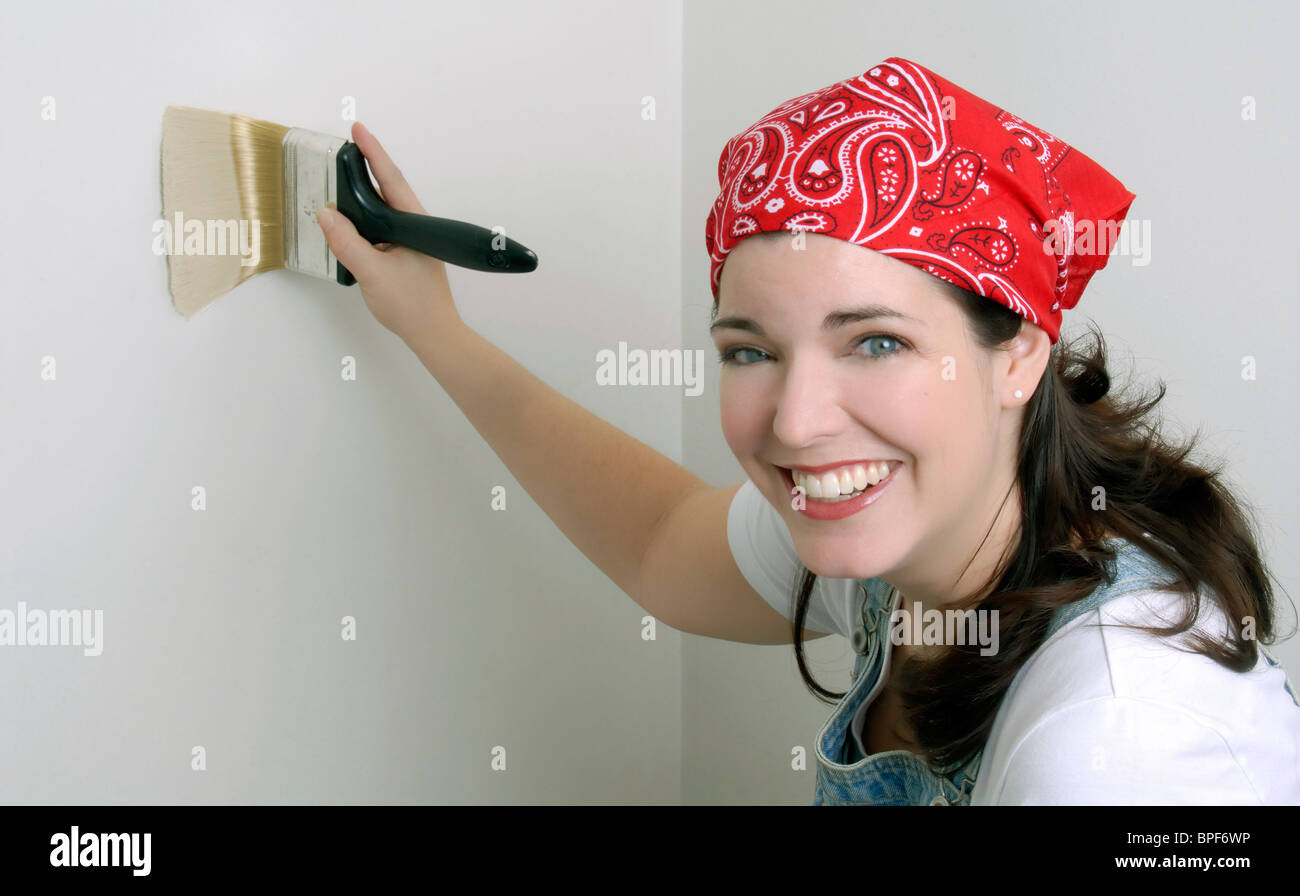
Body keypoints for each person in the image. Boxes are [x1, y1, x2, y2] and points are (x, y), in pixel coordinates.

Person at [314, 56, 1300, 805]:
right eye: (750, 350)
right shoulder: (921, 531)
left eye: (873, 343)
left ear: (1018, 356)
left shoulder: (1116, 741)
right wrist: (434, 329)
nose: (794, 420)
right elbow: (661, 543)